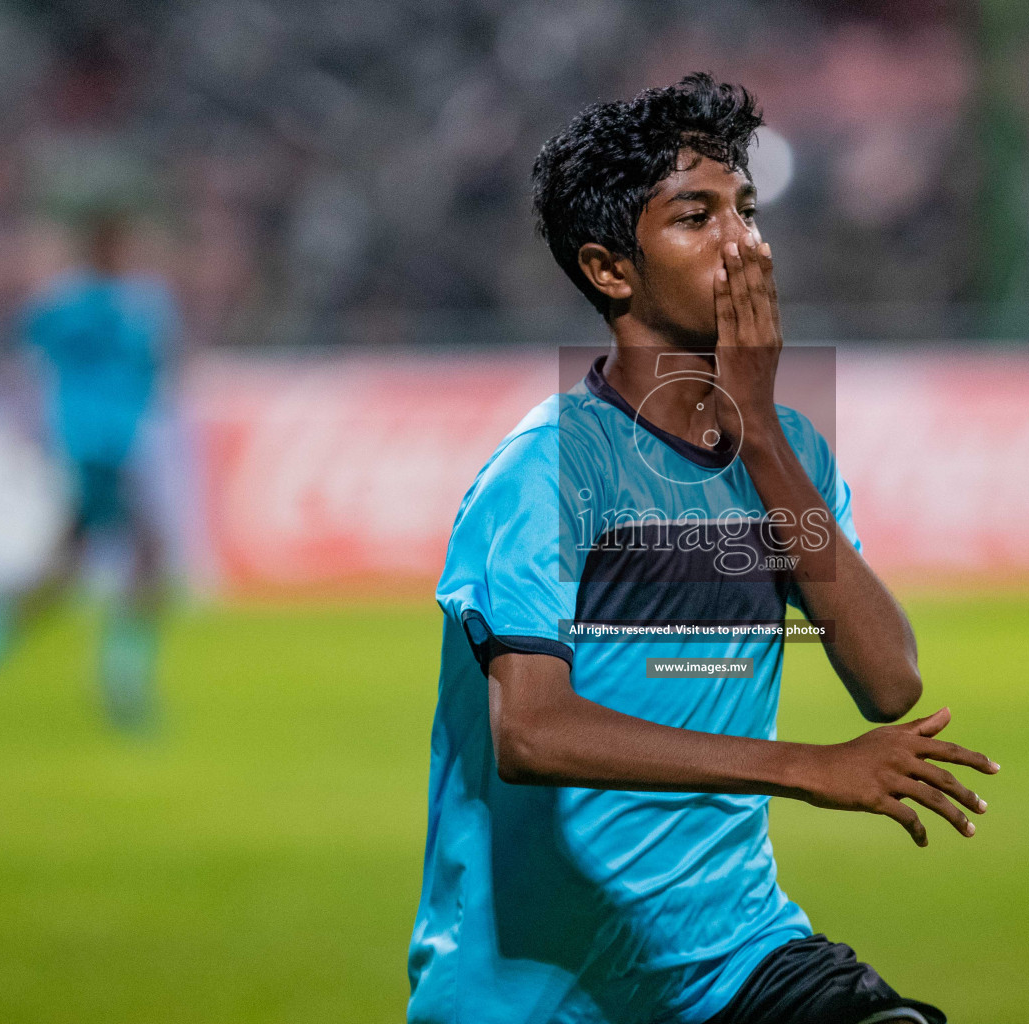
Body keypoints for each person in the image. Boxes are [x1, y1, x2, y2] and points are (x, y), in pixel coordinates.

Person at [408, 73, 998, 1024]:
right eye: (697, 216)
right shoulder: (550, 469)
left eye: (747, 209)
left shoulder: (789, 449)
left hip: (737, 963)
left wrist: (758, 431)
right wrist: (809, 767)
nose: (743, 243)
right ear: (610, 271)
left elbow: (890, 681)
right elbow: (533, 732)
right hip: (533, 993)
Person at [0, 210, 176, 731]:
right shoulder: (86, 305)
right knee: (149, 557)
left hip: (115, 444)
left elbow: (157, 368)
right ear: (105, 247)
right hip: (95, 446)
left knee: (63, 575)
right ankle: (123, 682)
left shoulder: (126, 303)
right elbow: (10, 346)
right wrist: (22, 416)